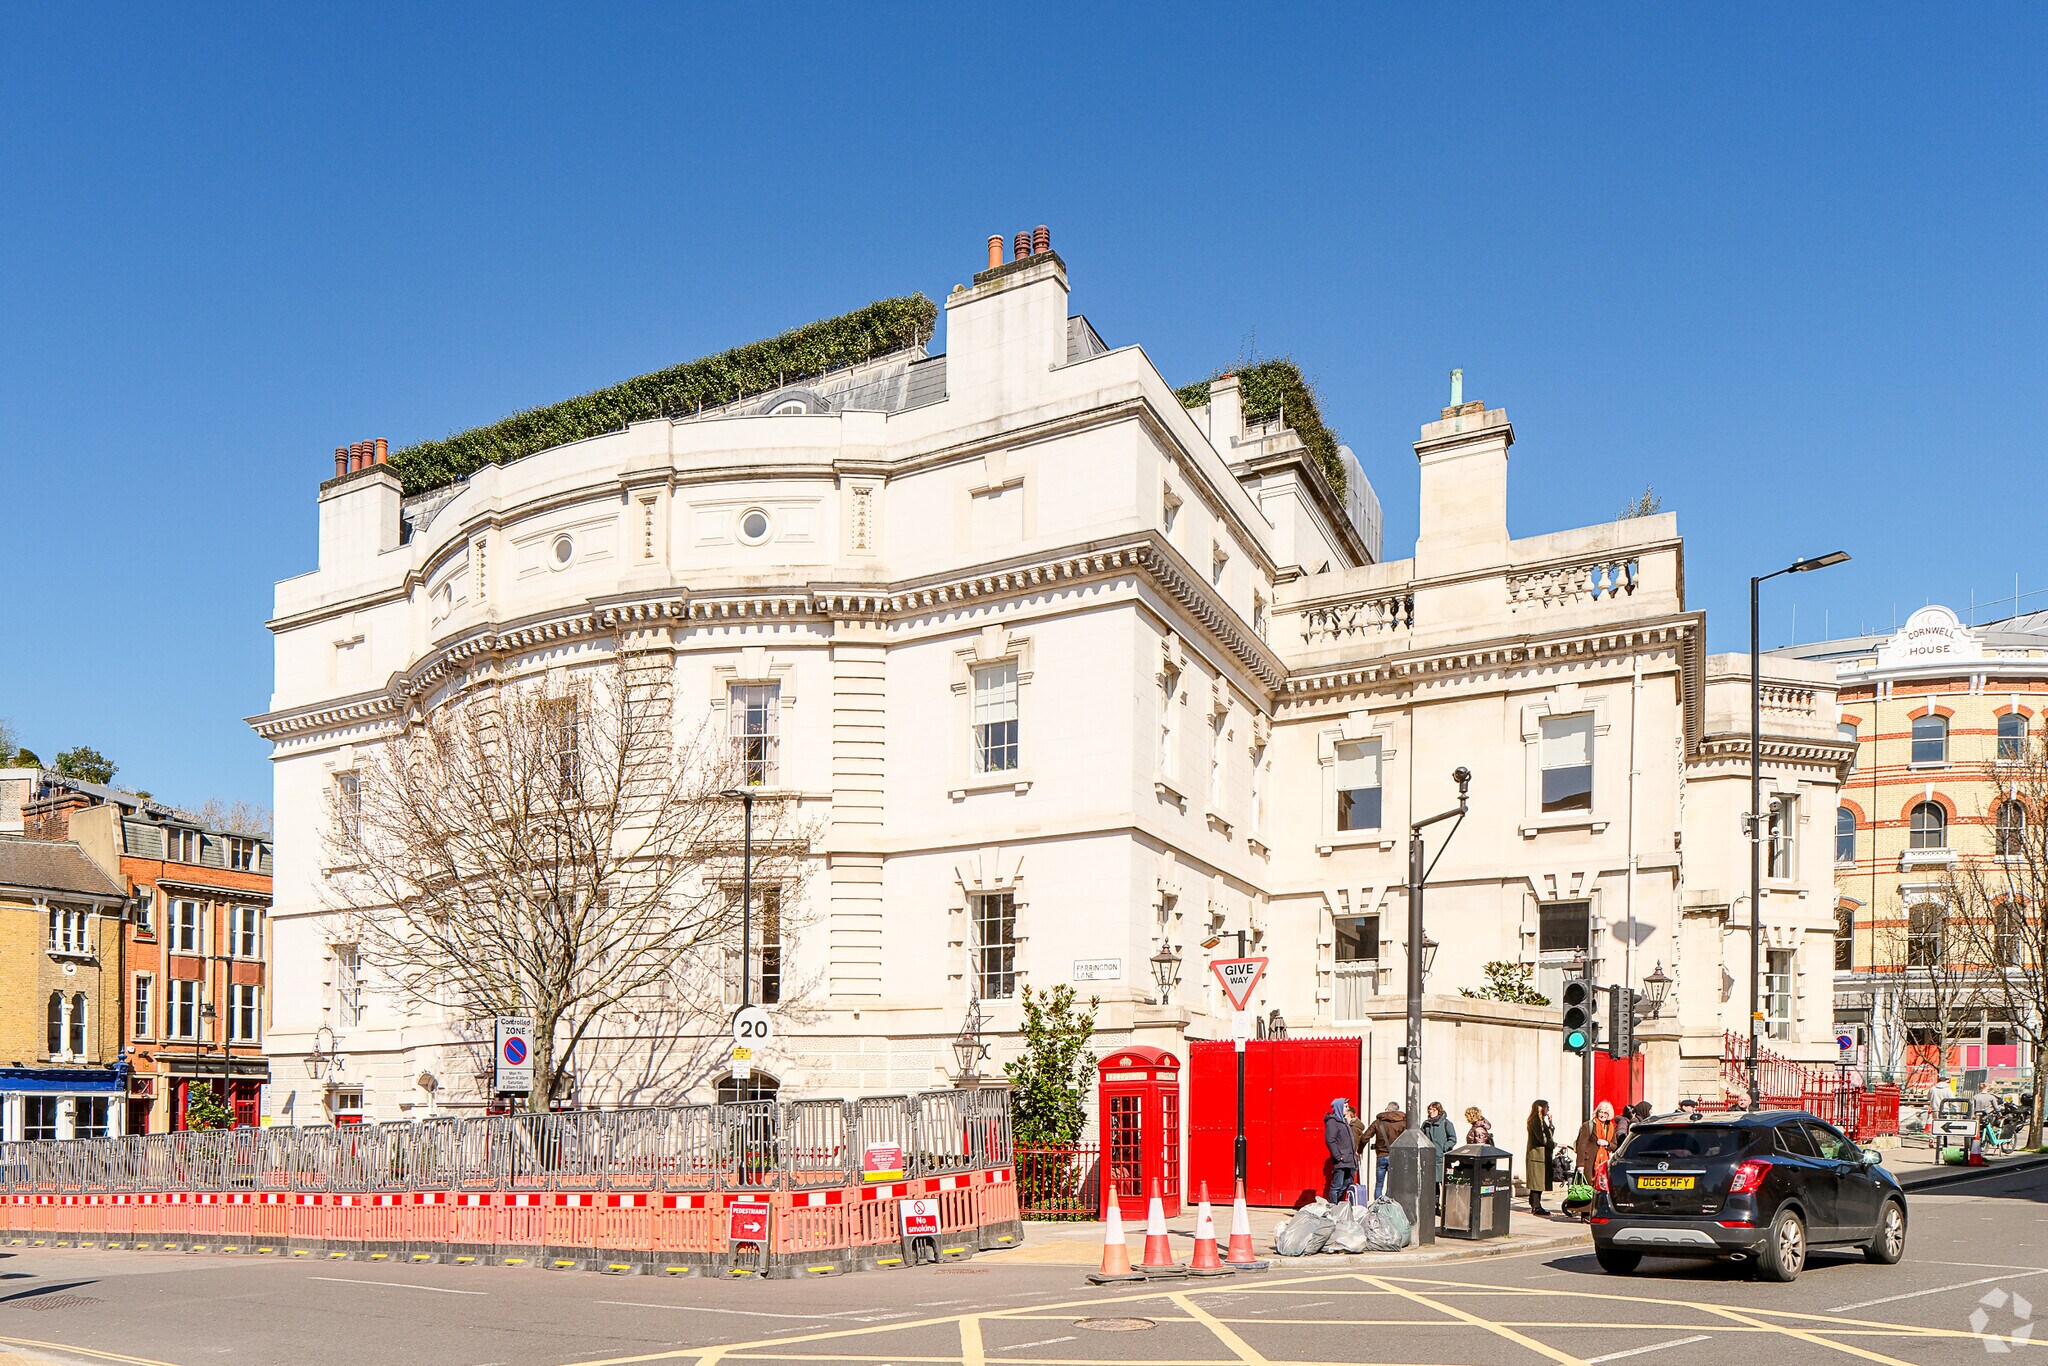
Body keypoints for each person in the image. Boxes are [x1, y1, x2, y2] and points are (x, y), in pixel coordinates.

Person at [1574, 1100, 1618, 1198]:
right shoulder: (1588, 1125)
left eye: (1605, 1113)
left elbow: (1615, 1145)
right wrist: (1580, 1165)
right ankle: (1585, 1213)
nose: (1602, 1115)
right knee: (1587, 1189)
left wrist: (1606, 1143)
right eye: (1600, 1112)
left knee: (1601, 1189)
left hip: (1603, 1163)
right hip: (1589, 1162)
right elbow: (1581, 1146)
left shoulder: (1610, 1127)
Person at [1364, 1102, 1408, 1200]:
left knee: (1379, 1184)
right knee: (1390, 1184)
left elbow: (1365, 1137)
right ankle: (1387, 1206)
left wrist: (1359, 1149)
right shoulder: (1402, 1123)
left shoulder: (1378, 1122)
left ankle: (1377, 1206)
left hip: (1381, 1155)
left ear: (1387, 1109)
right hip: (1395, 1157)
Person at [1324, 1097, 1359, 1204]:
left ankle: (1338, 1205)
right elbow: (1330, 1140)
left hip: (1350, 1160)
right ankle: (1333, 1208)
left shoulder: (1343, 1121)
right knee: (1337, 1186)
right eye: (1345, 1107)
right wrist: (1339, 1156)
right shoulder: (1333, 1122)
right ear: (1339, 1107)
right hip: (1342, 1161)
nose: (1347, 1109)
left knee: (1346, 1184)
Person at [1525, 1100, 1556, 1217]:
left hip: (1543, 1156)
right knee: (1536, 1183)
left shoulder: (1542, 1121)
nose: (1548, 1110)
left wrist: (1551, 1122)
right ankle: (1536, 1206)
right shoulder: (1535, 1122)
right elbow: (1542, 1139)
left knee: (1541, 1182)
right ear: (1540, 1108)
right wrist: (1556, 1145)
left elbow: (1549, 1136)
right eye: (1546, 1107)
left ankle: (1536, 1204)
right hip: (1536, 1156)